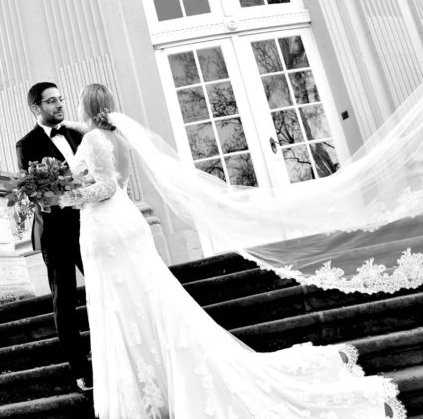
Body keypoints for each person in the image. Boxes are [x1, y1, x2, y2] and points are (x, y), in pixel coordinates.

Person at [56, 83, 405, 418]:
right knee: (147, 302)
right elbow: (113, 177)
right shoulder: (118, 138)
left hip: (107, 227)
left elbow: (104, 188)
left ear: (87, 106)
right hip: (126, 224)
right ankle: (162, 383)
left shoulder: (92, 140)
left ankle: (151, 392)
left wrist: (63, 197)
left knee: (127, 305)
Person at [15, 82, 93, 391]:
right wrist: (68, 189)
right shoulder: (27, 144)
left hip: (91, 225)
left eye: (60, 99)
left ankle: (110, 352)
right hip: (57, 233)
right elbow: (36, 193)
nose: (59, 104)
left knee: (103, 287)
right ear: (36, 108)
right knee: (65, 301)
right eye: (51, 101)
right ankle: (80, 369)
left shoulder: (77, 134)